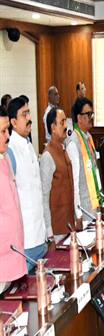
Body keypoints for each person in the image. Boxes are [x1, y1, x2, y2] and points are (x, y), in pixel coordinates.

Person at [6, 96, 47, 271]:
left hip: (40, 236)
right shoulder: (10, 151)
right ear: (13, 122)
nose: (30, 118)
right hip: (25, 242)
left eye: (29, 113)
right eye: (24, 114)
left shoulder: (29, 145)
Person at [40, 107, 78, 243]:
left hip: (69, 227)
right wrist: (49, 234)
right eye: (62, 122)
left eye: (65, 121)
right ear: (53, 127)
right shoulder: (47, 156)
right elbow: (44, 198)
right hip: (57, 232)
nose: (66, 126)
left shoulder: (63, 150)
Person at [0, 107, 27, 288]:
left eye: (7, 130)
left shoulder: (5, 158)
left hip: (14, 253)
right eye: (3, 131)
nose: (8, 136)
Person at [66, 97, 102, 219]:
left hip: (95, 204)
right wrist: (78, 215)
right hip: (84, 209)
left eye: (92, 113)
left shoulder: (89, 137)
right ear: (79, 118)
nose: (91, 117)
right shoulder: (73, 143)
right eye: (88, 114)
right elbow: (74, 183)